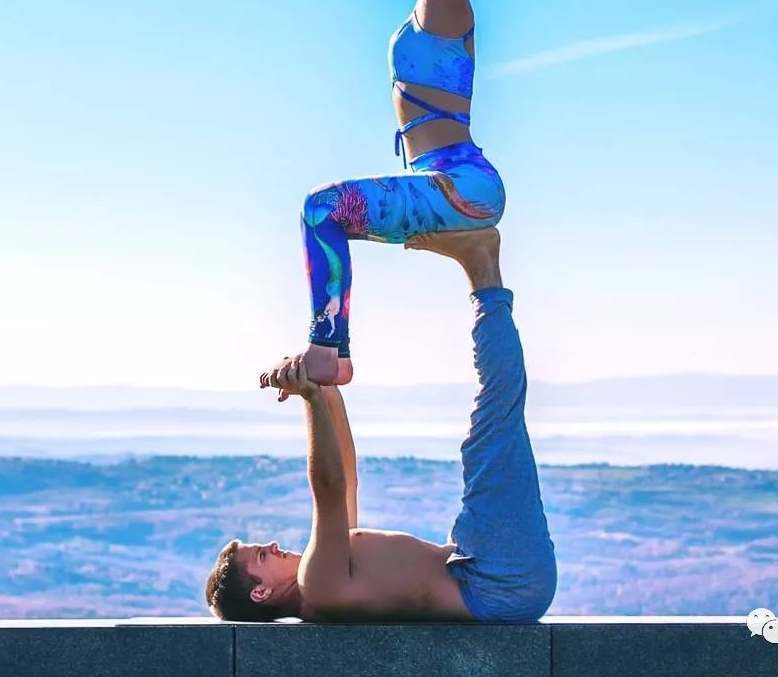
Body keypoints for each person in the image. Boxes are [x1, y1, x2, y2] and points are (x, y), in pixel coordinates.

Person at [267, 0, 505, 390]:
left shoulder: (446, 3)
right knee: (325, 211)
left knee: (323, 210)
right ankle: (332, 351)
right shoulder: (423, 18)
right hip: (441, 181)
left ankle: (328, 350)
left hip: (461, 185)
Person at [208, 227, 557, 623]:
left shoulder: (326, 570)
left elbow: (347, 477)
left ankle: (483, 267)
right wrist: (307, 398)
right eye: (260, 556)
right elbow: (329, 487)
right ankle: (483, 271)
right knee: (493, 418)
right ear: (261, 592)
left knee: (494, 418)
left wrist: (326, 390)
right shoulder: (318, 587)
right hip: (498, 581)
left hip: (479, 564)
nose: (270, 544)